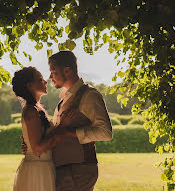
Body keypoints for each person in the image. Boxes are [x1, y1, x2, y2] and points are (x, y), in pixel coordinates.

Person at [22, 51, 113, 191]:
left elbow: (105, 132)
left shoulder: (90, 95)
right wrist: (31, 145)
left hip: (78, 170)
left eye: (53, 71)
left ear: (67, 70)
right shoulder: (64, 100)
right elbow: (57, 135)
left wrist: (70, 133)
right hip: (63, 170)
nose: (50, 77)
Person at [12, 66, 59, 191]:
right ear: (30, 86)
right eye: (40, 79)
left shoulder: (36, 109)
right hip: (37, 171)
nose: (45, 82)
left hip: (43, 167)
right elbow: (37, 149)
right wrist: (61, 134)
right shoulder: (31, 111)